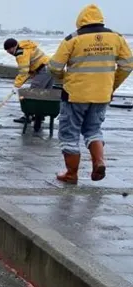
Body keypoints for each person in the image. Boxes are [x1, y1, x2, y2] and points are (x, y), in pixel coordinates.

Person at [48, 4, 132, 184]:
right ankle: (99, 161)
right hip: (102, 94)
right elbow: (127, 65)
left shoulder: (73, 39)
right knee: (93, 130)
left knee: (69, 134)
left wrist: (64, 80)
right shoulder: (116, 38)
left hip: (74, 95)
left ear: (80, 21)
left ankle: (71, 174)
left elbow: (54, 67)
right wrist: (111, 86)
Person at [3, 38, 55, 123]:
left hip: (43, 70)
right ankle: (40, 116)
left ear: (13, 47)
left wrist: (16, 85)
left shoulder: (21, 53)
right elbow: (29, 69)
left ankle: (28, 116)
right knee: (43, 95)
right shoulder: (25, 47)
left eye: (8, 50)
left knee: (32, 94)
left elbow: (23, 71)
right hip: (50, 67)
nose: (8, 52)